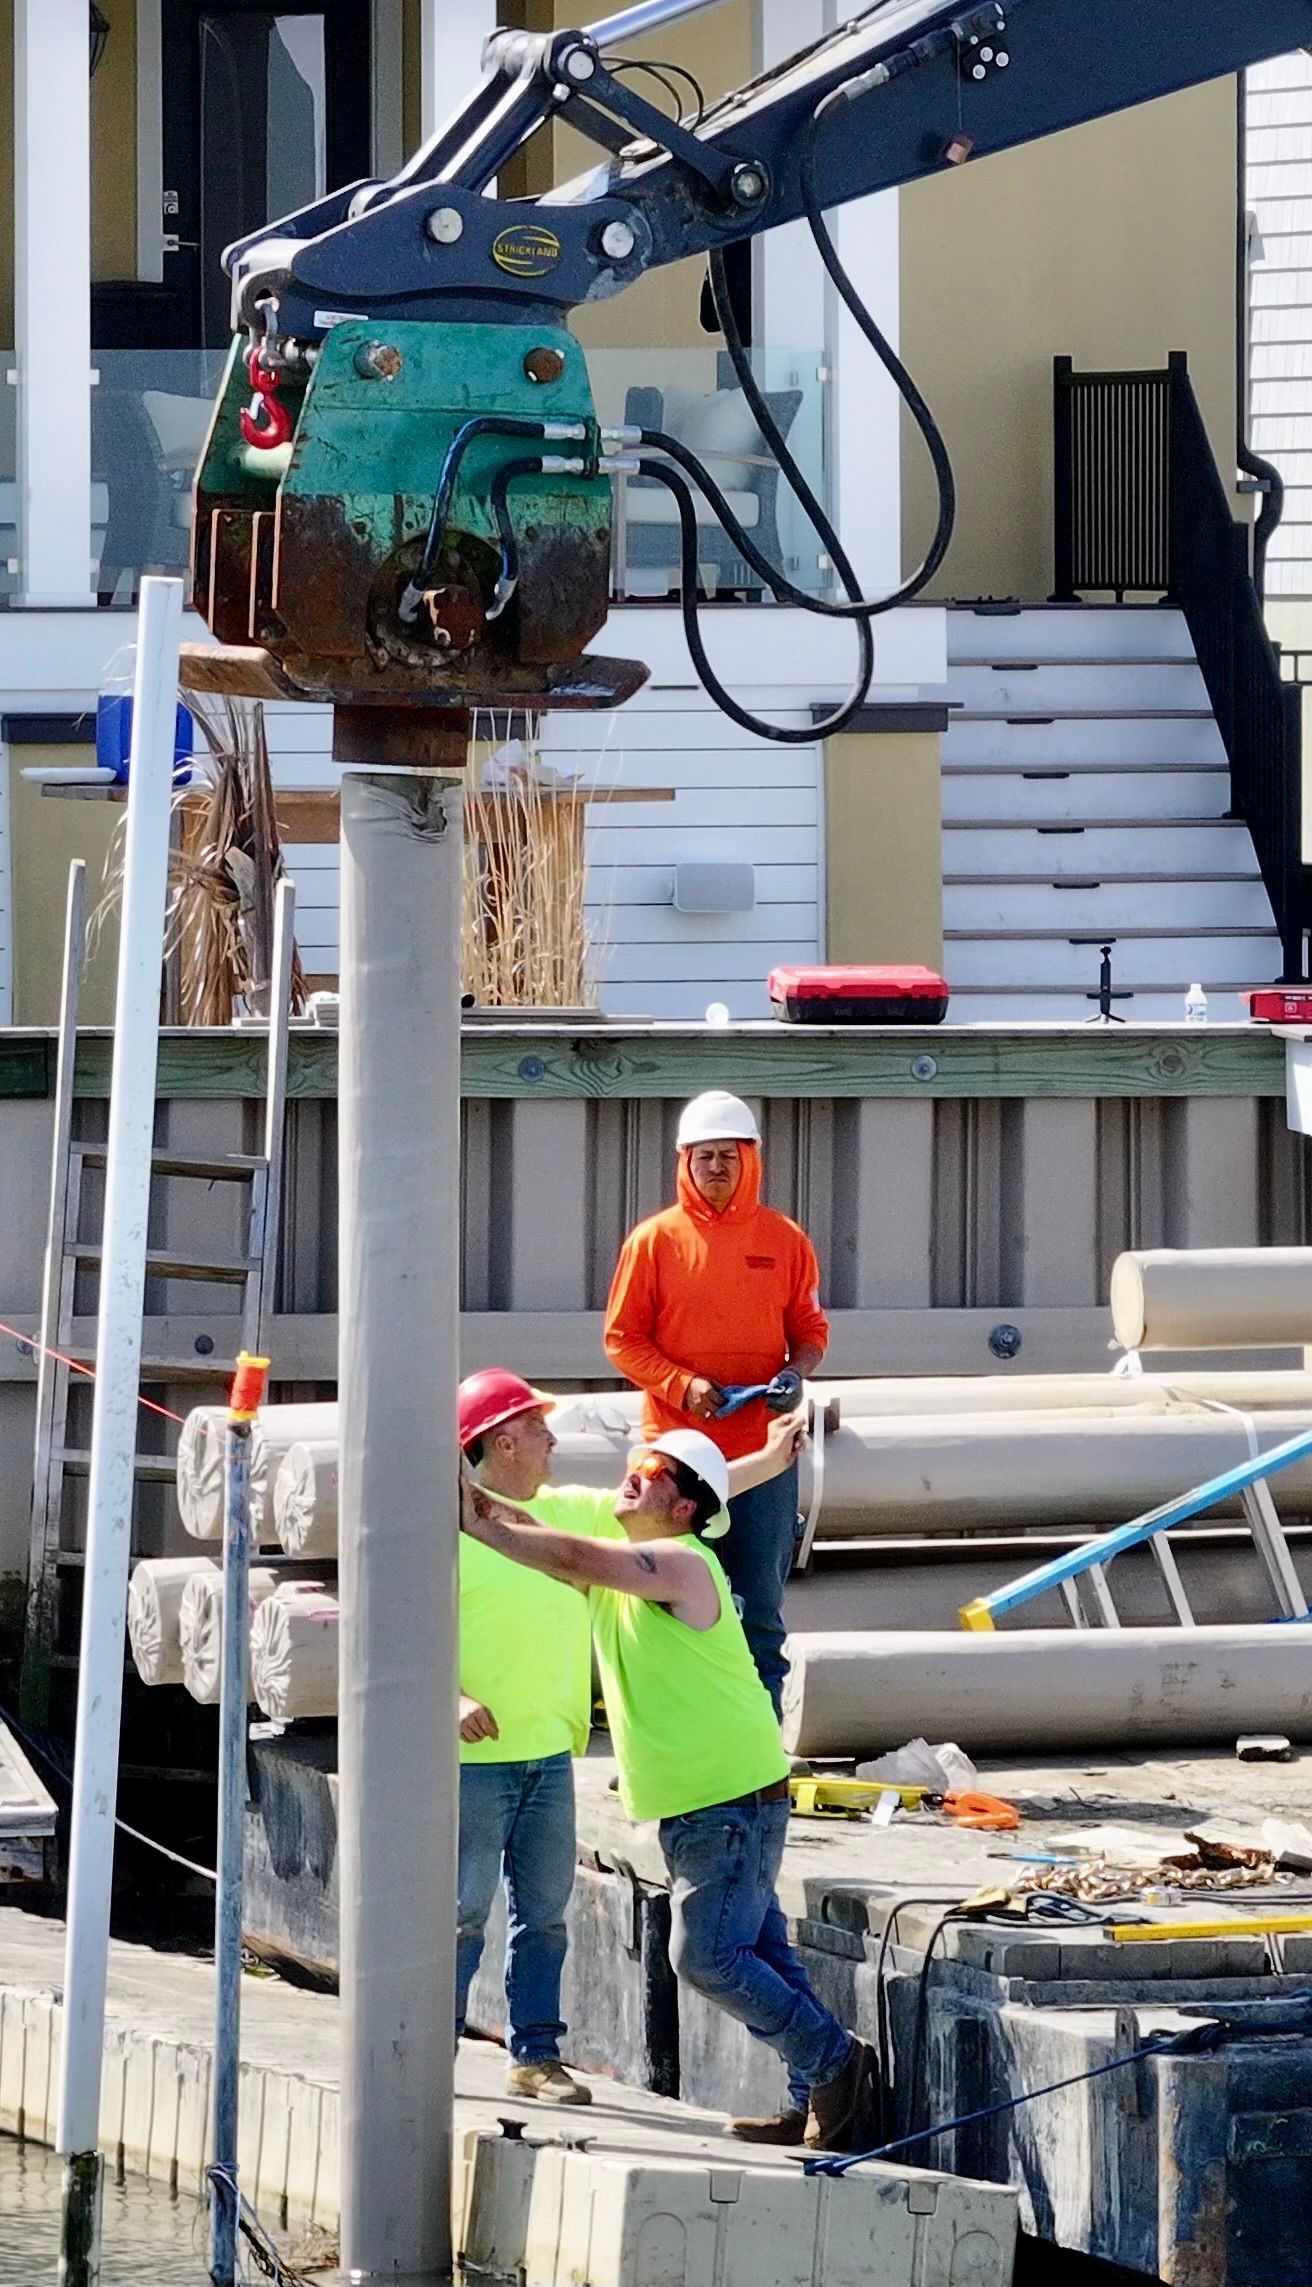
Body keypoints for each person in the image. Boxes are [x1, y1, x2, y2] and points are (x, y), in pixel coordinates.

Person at [460, 1424, 877, 2153]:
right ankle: (815, 2090)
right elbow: (547, 1531)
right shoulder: (627, 1570)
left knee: (707, 1956)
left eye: (651, 1471)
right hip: (703, 1801)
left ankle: (835, 2063)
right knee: (761, 1952)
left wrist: (477, 1523)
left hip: (730, 1800)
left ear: (685, 1507)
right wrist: (479, 1502)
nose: (631, 1476)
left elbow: (565, 1551)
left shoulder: (684, 1566)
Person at [603, 1089, 828, 1711]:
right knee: (660, 1604)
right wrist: (684, 1386)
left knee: (759, 1610)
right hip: (670, 1461)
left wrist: (795, 1373)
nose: (717, 1169)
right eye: (705, 1157)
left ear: (750, 1160)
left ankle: (759, 1750)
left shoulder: (783, 1240)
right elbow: (622, 1339)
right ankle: (665, 1744)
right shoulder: (654, 1242)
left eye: (729, 1156)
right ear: (685, 1163)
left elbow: (810, 1333)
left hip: (763, 1456)